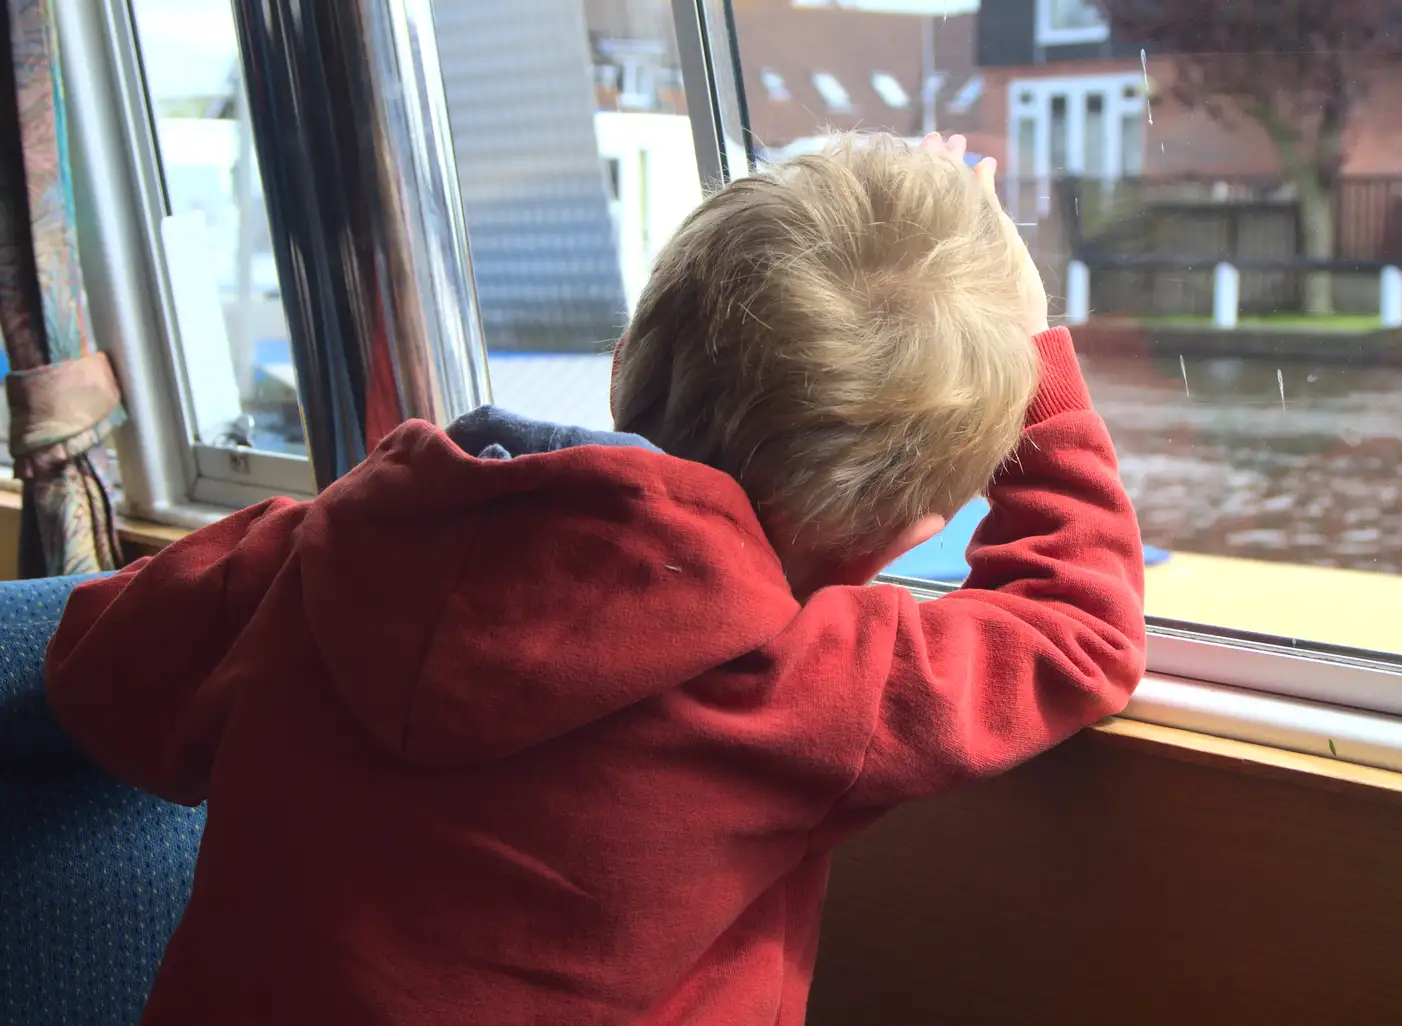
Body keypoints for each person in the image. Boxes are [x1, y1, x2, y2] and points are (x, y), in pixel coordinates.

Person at [45, 132, 1145, 1025]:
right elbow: (1081, 626)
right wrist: (1035, 356)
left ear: (622, 366)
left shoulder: (319, 548)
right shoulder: (806, 682)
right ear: (909, 533)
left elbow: (94, 680)